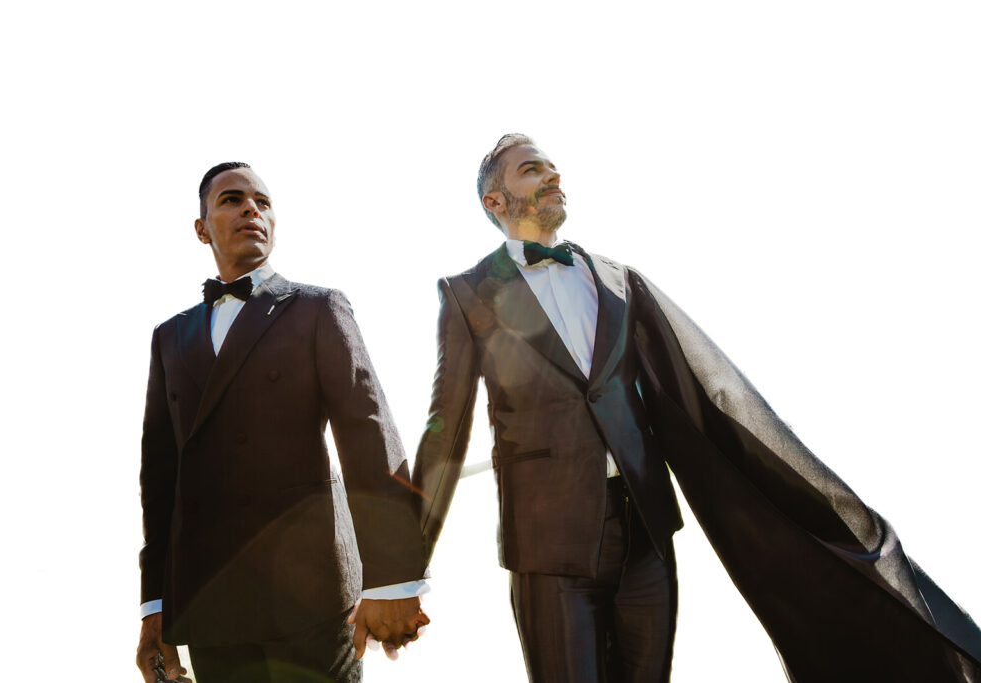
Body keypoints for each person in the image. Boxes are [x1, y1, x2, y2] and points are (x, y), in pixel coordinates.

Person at [411, 134, 981, 682]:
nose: (552, 174)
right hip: (549, 548)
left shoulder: (619, 280)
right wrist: (400, 574)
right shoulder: (467, 293)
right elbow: (445, 432)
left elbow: (700, 387)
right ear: (496, 201)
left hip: (649, 539)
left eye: (552, 165)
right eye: (531, 169)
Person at [135, 162, 429, 683]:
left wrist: (391, 581)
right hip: (211, 606)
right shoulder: (169, 336)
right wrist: (154, 606)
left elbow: (368, 433)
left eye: (262, 201)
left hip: (313, 598)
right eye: (231, 199)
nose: (251, 208)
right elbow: (160, 481)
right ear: (201, 228)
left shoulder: (317, 308)